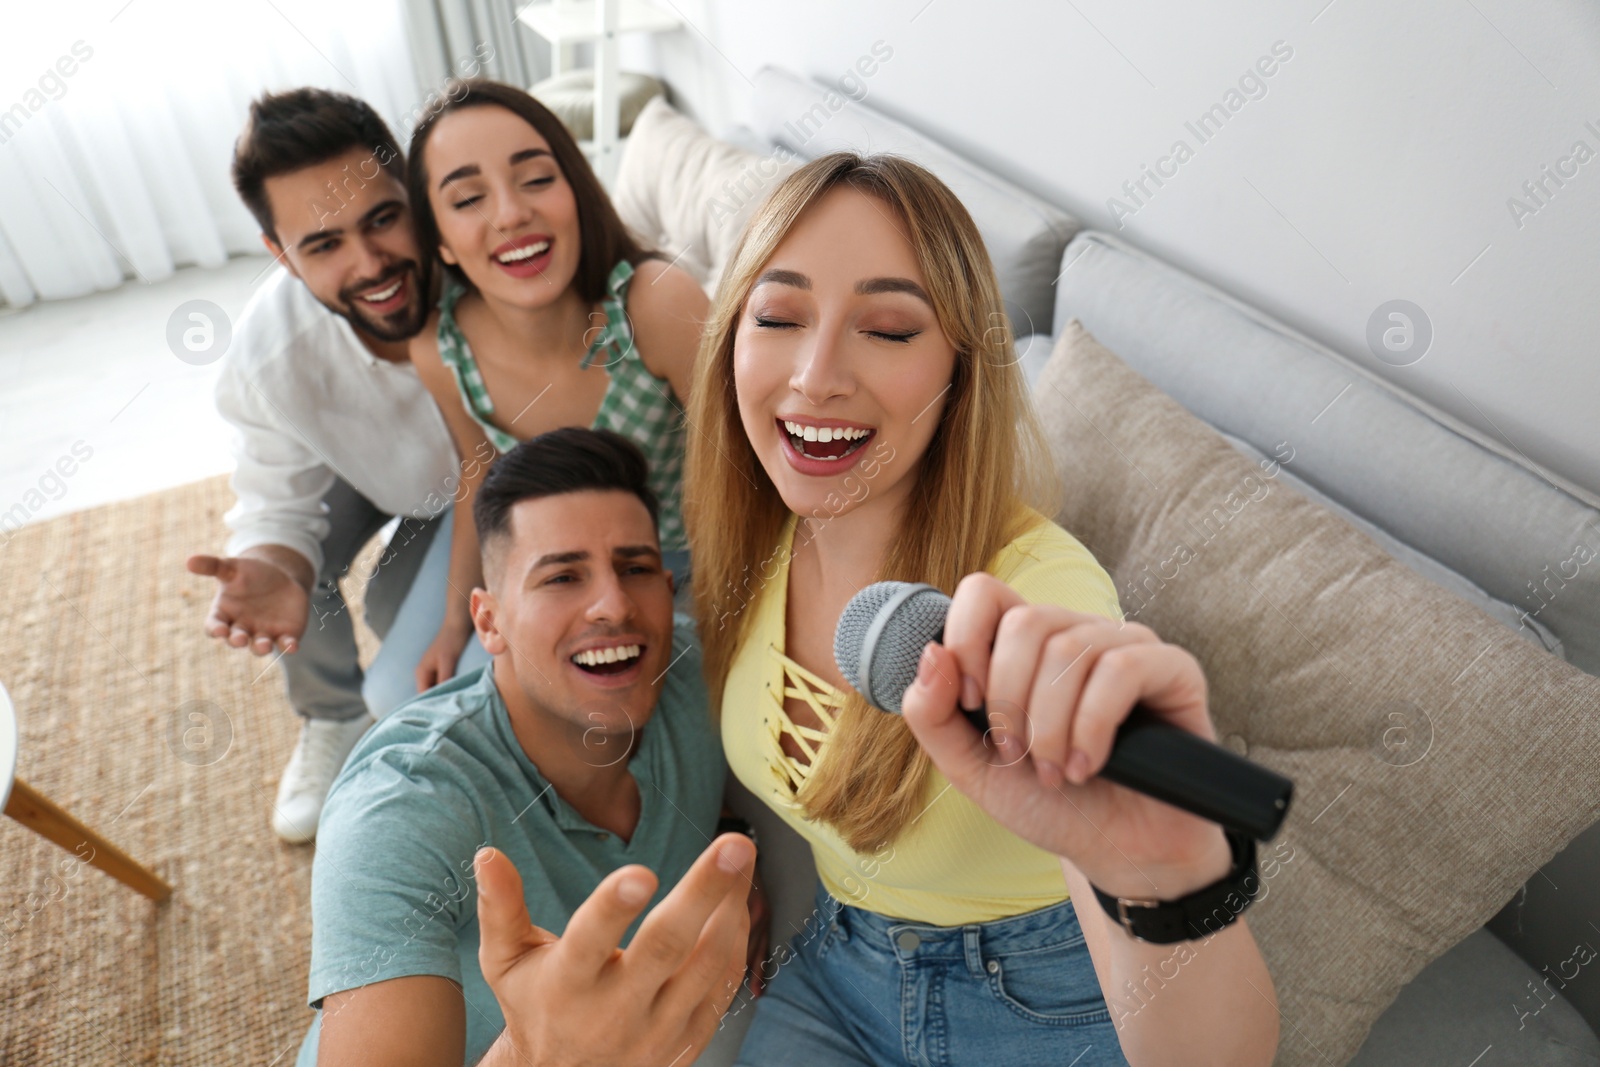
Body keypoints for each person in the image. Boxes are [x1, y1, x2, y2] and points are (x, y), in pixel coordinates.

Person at [682, 153, 1280, 1066]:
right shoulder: (750, 535)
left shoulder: (1040, 592)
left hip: (1038, 996)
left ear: (960, 372)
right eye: (778, 315)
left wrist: (1161, 878)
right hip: (841, 968)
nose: (815, 375)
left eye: (886, 328)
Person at [300, 427, 762, 1066]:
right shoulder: (399, 808)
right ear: (488, 622)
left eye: (636, 568)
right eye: (563, 577)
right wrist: (533, 1053)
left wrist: (740, 843)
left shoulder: (702, 674)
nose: (613, 604)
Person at [185, 88, 488, 843]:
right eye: (323, 246)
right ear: (281, 256)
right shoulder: (266, 356)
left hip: (483, 474)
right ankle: (331, 714)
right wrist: (278, 564)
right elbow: (277, 499)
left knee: (394, 614)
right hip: (360, 467)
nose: (371, 263)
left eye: (383, 218)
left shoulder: (497, 274)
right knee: (288, 565)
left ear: (415, 198)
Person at [392, 79, 707, 705]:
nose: (510, 213)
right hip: (547, 564)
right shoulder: (439, 347)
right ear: (441, 245)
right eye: (469, 198)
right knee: (409, 696)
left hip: (689, 560)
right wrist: (455, 623)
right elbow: (479, 472)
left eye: (536, 180)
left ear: (576, 192)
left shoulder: (656, 303)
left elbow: (755, 467)